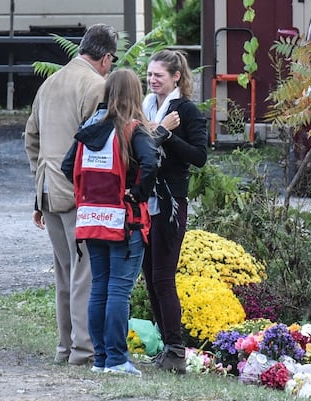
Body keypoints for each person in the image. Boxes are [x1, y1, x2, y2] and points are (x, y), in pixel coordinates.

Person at [24, 23, 118, 366]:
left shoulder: (50, 82)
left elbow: (31, 137)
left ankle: (65, 348)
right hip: (79, 192)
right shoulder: (96, 85)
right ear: (106, 57)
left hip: (47, 190)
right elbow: (95, 142)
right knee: (85, 273)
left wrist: (41, 177)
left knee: (65, 273)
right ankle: (83, 350)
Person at [62, 68, 160, 375]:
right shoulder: (134, 129)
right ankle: (117, 359)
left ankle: (102, 358)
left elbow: (67, 166)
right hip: (124, 221)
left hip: (92, 219)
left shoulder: (89, 128)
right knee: (119, 289)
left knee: (99, 287)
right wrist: (137, 193)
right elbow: (151, 162)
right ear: (135, 94)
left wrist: (92, 193)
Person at [141, 49, 208, 373]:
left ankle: (176, 351)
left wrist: (166, 135)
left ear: (176, 77)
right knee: (150, 277)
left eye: (159, 75)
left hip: (170, 203)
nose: (152, 80)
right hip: (145, 202)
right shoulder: (146, 106)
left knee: (163, 277)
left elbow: (199, 156)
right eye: (150, 74)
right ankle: (165, 345)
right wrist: (156, 130)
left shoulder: (186, 111)